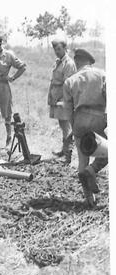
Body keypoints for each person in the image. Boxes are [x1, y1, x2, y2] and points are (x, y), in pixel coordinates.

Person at [63, 49, 107, 207]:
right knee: (109, 151)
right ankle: (93, 169)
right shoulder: (102, 75)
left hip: (79, 120)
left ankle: (89, 199)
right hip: (98, 118)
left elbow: (68, 109)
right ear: (89, 61)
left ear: (77, 61)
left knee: (82, 158)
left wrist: (74, 125)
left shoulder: (70, 81)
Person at [0, 35, 26, 149]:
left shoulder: (8, 55)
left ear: (0, 44)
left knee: (6, 114)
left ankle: (8, 137)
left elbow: (22, 67)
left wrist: (13, 77)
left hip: (3, 87)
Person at [48, 38, 77, 164]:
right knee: (62, 124)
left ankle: (67, 154)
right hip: (56, 95)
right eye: (55, 49)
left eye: (59, 49)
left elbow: (68, 83)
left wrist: (64, 100)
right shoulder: (58, 62)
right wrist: (50, 95)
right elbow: (53, 79)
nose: (57, 51)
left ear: (65, 49)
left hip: (64, 96)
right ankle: (63, 149)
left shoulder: (68, 63)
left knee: (66, 126)